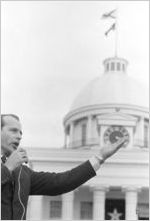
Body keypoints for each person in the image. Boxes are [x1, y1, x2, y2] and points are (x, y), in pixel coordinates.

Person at [1, 114, 127, 220]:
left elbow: (62, 182)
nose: (19, 136)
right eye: (13, 130)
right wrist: (7, 168)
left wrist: (100, 157)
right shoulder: (10, 167)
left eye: (20, 132)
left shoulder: (23, 173)